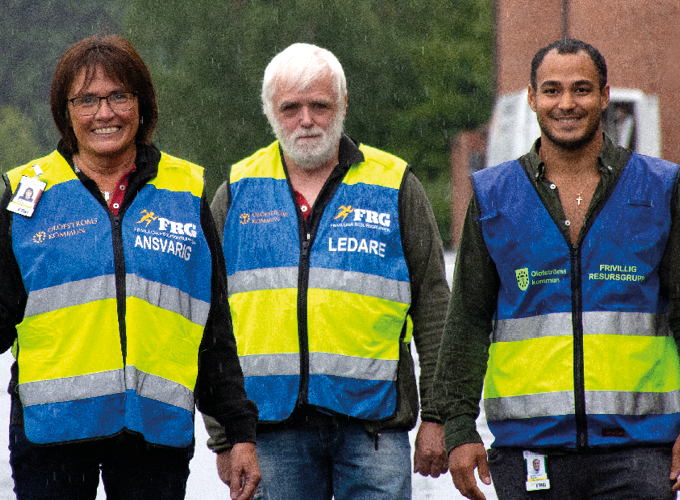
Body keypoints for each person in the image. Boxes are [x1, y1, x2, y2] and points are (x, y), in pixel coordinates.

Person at [434, 38, 680, 500]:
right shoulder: (494, 196)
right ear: (532, 97)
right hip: (527, 453)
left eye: (581, 89)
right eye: (552, 90)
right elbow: (468, 322)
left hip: (639, 452)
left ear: (604, 96)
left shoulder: (659, 188)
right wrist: (457, 425)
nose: (567, 104)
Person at [0, 34, 260, 500]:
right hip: (51, 442)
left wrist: (238, 434)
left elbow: (213, 328)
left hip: (153, 438)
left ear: (142, 104)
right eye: (87, 100)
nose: (105, 113)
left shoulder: (184, 192)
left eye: (120, 95)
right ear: (65, 111)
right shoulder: (24, 197)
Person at [204, 42, 450, 500]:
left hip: (374, 430)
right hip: (267, 434)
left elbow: (436, 308)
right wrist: (225, 435)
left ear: (343, 105)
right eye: (291, 107)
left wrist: (438, 416)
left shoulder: (395, 184)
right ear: (269, 110)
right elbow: (206, 320)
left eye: (320, 105)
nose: (307, 119)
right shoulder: (236, 192)